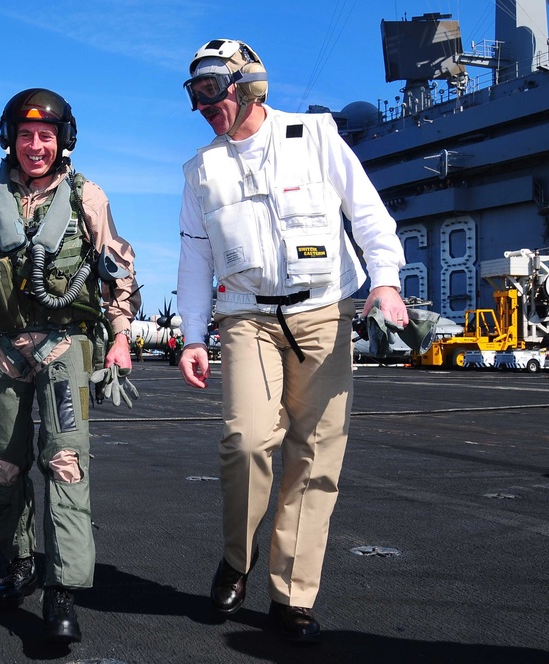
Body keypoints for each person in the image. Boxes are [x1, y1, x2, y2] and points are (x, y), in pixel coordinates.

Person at [175, 39, 408, 642]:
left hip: (324, 312)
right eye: (194, 93)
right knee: (247, 440)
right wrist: (191, 335)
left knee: (315, 453)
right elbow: (195, 259)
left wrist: (385, 282)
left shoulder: (316, 136)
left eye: (211, 89)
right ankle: (237, 558)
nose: (204, 105)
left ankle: (292, 595)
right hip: (246, 316)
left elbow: (369, 214)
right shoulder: (202, 170)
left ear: (248, 85)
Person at [0, 88, 140, 644]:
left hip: (67, 348)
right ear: (9, 139)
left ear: (62, 141)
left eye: (45, 136)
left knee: (65, 460)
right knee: (4, 463)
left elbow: (118, 270)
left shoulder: (88, 197)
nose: (35, 145)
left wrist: (120, 336)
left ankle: (62, 591)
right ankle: (19, 566)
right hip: (2, 351)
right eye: (24, 135)